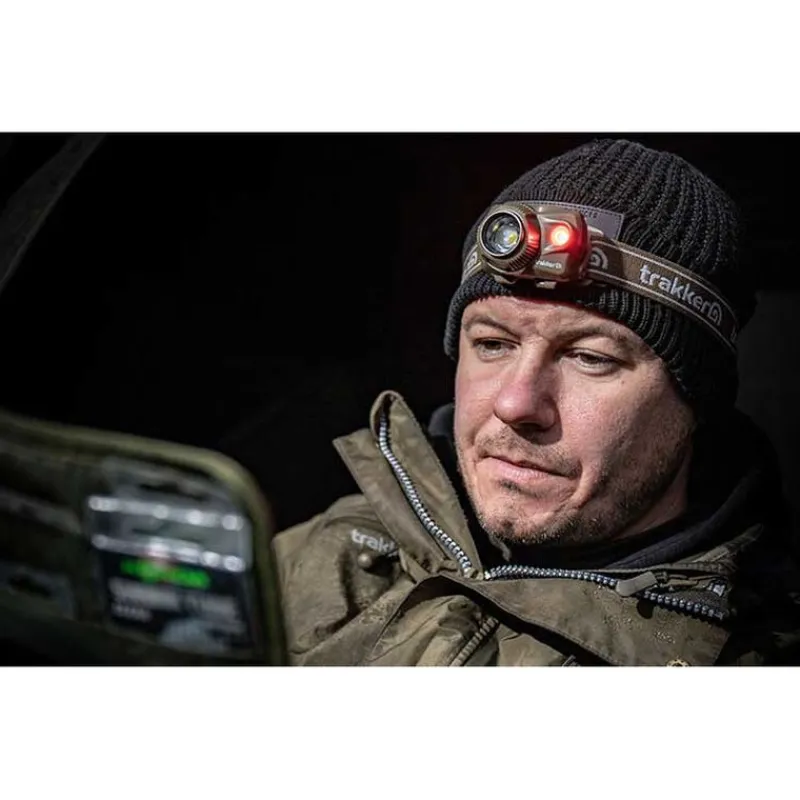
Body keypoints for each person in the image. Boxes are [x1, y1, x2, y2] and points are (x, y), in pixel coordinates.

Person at [272, 138, 800, 666]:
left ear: (696, 403)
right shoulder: (323, 549)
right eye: (493, 344)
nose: (515, 403)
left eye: (590, 357)